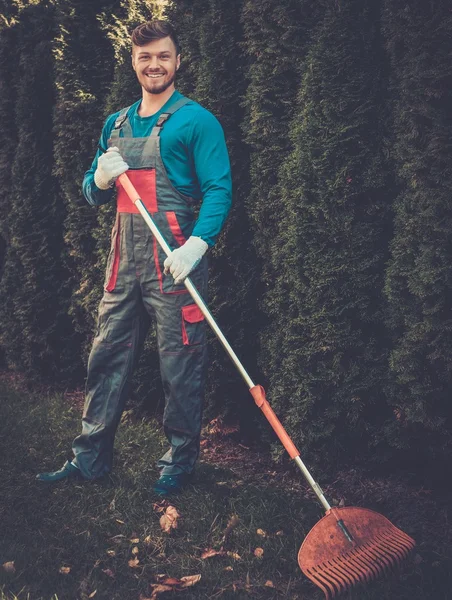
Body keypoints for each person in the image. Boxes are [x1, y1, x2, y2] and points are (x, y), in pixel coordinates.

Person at [37, 20, 232, 496]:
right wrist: (99, 179)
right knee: (106, 358)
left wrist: (197, 245)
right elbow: (91, 192)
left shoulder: (196, 121)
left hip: (174, 264)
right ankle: (89, 459)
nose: (154, 65)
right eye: (145, 56)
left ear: (178, 61)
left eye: (163, 56)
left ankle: (178, 464)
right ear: (133, 61)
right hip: (124, 265)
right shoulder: (116, 124)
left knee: (179, 365)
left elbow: (219, 189)